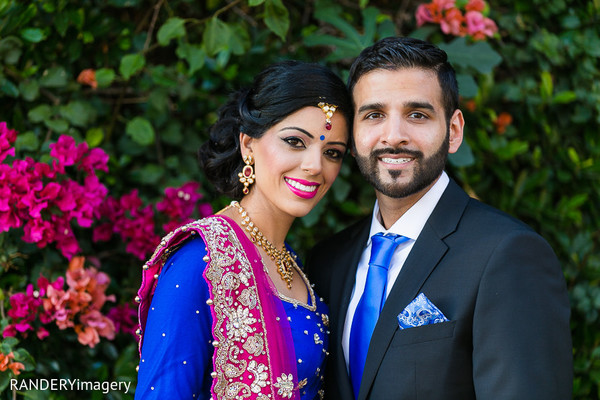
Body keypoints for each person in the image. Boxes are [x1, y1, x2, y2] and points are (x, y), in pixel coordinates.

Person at [306, 36, 572, 400]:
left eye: (417, 114)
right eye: (374, 115)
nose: (394, 136)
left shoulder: (509, 254)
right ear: (353, 135)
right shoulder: (327, 261)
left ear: (454, 130)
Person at [134, 60, 353, 400]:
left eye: (333, 152)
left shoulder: (292, 262)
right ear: (248, 144)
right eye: (295, 142)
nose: (315, 166)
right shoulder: (200, 260)